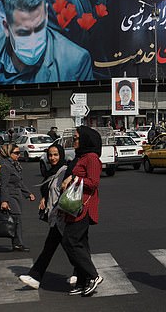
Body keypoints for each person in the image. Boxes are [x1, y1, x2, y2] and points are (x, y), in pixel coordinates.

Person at [0, 0, 94, 85]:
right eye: (23, 32)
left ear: (46, 14)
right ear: (7, 27)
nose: (33, 40)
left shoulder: (75, 61)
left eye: (39, 28)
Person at [19, 144, 75, 289]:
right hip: (55, 215)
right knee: (70, 247)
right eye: (50, 155)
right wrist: (44, 198)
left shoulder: (64, 171)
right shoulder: (51, 171)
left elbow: (64, 191)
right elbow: (49, 188)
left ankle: (35, 276)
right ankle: (82, 271)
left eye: (56, 155)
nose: (53, 158)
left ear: (61, 155)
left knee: (50, 247)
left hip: (61, 215)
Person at [60, 126, 103, 297]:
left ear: (86, 139)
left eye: (77, 138)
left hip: (84, 207)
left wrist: (74, 178)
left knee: (69, 241)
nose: (74, 140)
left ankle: (93, 276)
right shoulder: (81, 156)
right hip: (74, 207)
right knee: (81, 245)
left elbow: (93, 182)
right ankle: (82, 281)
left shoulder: (92, 158)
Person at [0, 143, 36, 252]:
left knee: (1, 220)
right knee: (15, 219)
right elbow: (3, 186)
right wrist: (4, 201)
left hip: (16, 195)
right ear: (9, 154)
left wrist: (28, 193)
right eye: (16, 153)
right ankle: (18, 244)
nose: (19, 155)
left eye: (19, 153)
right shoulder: (5, 167)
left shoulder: (15, 165)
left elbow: (19, 182)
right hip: (8, 196)